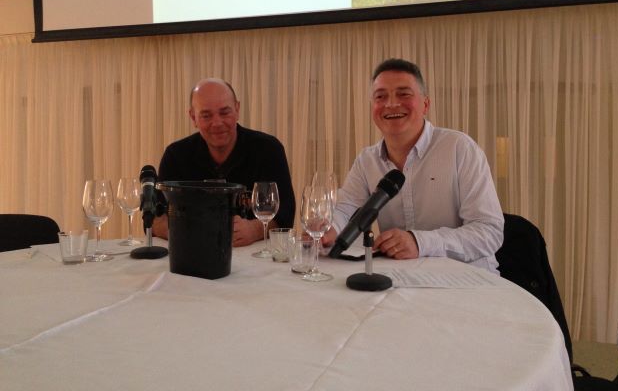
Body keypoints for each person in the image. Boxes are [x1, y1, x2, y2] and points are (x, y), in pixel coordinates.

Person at [322, 58, 504, 273]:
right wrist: (328, 228)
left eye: (403, 94)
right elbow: (345, 209)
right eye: (381, 97)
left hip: (466, 282)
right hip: (403, 279)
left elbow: (489, 232)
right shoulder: (367, 161)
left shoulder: (459, 148)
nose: (391, 104)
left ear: (425, 104)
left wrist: (419, 242)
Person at [152, 78, 295, 247]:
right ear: (193, 117)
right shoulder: (175, 155)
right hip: (194, 256)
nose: (217, 123)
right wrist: (188, 231)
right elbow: (155, 218)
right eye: (206, 115)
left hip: (256, 259)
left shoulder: (268, 149)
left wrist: (254, 230)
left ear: (237, 109)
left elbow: (285, 215)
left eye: (224, 112)